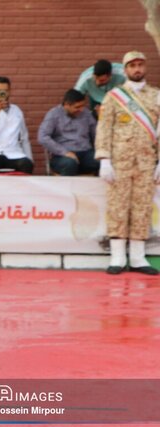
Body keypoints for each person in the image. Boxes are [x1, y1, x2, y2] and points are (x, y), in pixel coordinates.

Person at [96, 50, 160, 276]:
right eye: (132, 66)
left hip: (146, 162)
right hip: (120, 162)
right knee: (118, 207)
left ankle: (138, 257)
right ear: (125, 70)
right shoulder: (114, 96)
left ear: (145, 68)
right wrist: (104, 159)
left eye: (140, 65)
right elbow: (104, 128)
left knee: (142, 207)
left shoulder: (156, 96)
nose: (137, 69)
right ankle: (117, 257)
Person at [38, 89, 98, 176]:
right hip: (62, 155)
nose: (81, 110)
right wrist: (65, 152)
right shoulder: (54, 114)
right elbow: (42, 137)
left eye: (83, 106)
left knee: (102, 161)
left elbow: (96, 134)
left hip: (85, 153)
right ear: (66, 105)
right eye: (77, 107)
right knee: (69, 163)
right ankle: (65, 189)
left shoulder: (87, 114)